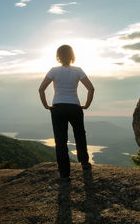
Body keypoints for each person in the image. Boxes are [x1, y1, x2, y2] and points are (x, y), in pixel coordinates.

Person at [38, 44, 94, 181]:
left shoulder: (53, 71)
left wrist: (46, 105)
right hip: (75, 107)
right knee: (80, 134)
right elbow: (91, 88)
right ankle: (85, 163)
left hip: (58, 107)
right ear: (72, 55)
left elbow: (41, 89)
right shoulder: (78, 70)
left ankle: (64, 174)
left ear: (58, 56)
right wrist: (86, 105)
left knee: (60, 140)